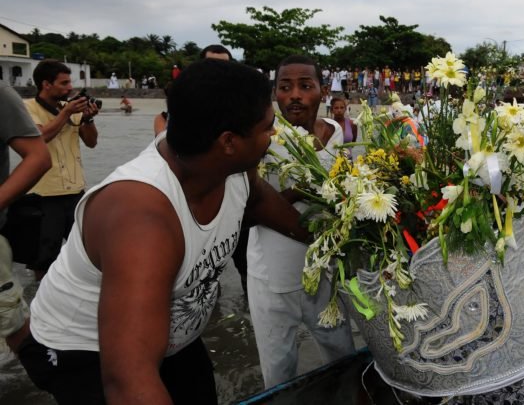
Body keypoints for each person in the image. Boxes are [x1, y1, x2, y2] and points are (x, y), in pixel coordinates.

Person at [18, 59, 308, 404]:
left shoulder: (231, 169)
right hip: (83, 350)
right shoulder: (141, 218)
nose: (273, 136)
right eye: (268, 127)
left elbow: (264, 204)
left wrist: (335, 238)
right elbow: (128, 381)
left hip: (173, 334)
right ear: (229, 142)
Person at [247, 55, 355, 388]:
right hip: (274, 278)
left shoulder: (335, 133)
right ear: (275, 93)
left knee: (342, 354)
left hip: (324, 270)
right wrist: (303, 188)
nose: (294, 95)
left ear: (323, 92)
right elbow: (248, 207)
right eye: (285, 87)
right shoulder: (262, 140)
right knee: (279, 369)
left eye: (305, 86)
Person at [23, 60, 99, 279]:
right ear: (46, 84)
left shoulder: (69, 107)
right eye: (64, 83)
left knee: (86, 252)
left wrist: (88, 119)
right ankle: (39, 295)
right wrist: (66, 113)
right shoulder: (28, 107)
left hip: (75, 192)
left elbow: (91, 142)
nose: (70, 87)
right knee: (43, 257)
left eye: (70, 82)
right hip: (44, 194)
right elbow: (40, 137)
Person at [0, 85, 51, 353]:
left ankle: (43, 369)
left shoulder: (2, 95)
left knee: (12, 322)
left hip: (60, 193)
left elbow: (39, 156)